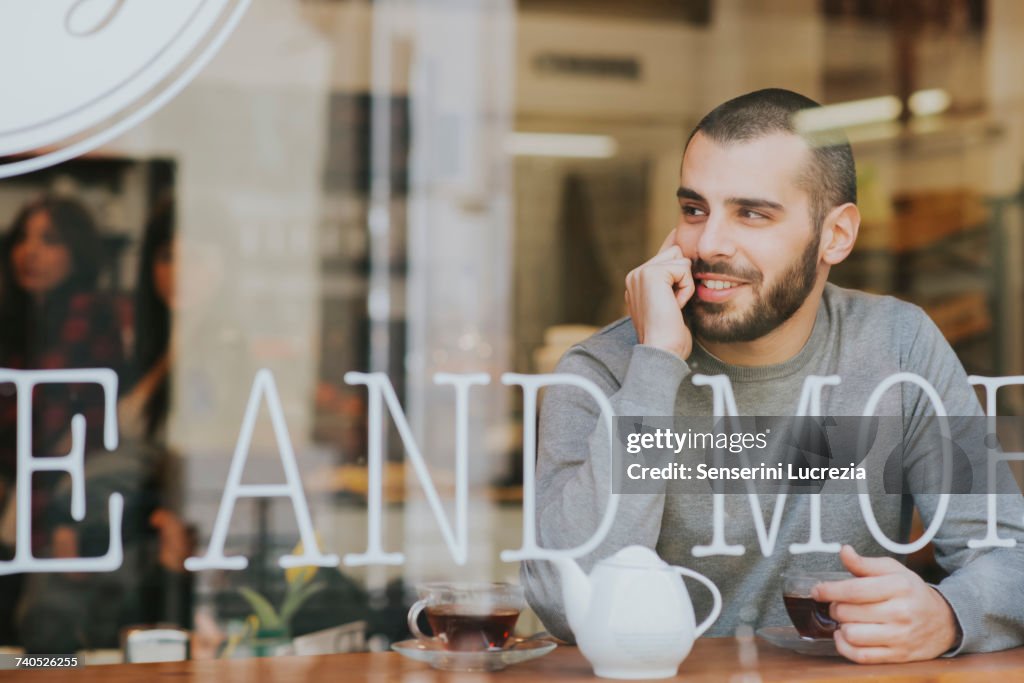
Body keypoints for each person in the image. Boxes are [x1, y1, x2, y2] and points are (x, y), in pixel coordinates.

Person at [521, 89, 1024, 663]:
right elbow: (564, 603)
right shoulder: (604, 370)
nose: (709, 243)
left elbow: (1011, 556)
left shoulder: (897, 345)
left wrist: (948, 615)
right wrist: (657, 362)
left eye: (752, 213)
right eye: (694, 210)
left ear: (836, 235)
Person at [0, 195, 123, 644]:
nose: (28, 252)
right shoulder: (20, 319)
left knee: (45, 647)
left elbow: (74, 425)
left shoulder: (87, 315)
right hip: (24, 504)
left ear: (76, 252)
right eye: (22, 239)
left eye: (49, 240)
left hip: (57, 510)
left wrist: (67, 514)